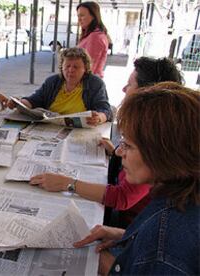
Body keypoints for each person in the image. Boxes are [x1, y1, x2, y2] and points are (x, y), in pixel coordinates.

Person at [30, 57, 183, 227]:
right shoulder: (155, 133)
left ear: (147, 93)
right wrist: (116, 151)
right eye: (67, 66)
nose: (123, 89)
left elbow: (123, 197)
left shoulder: (154, 141)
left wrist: (67, 183)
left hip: (128, 224)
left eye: (130, 84)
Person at [74, 83, 199, 275]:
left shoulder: (165, 246)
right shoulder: (183, 193)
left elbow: (163, 254)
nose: (120, 151)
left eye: (129, 145)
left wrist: (105, 264)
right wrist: (126, 236)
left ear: (164, 155)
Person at [8, 47, 112, 126]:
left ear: (85, 69)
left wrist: (99, 118)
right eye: (67, 66)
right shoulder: (53, 81)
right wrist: (18, 103)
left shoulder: (95, 84)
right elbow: (35, 100)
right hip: (51, 127)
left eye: (76, 67)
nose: (71, 70)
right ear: (61, 67)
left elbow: (105, 110)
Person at [77, 1, 109, 78]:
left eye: (82, 15)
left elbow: (89, 65)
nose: (79, 19)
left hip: (88, 83)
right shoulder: (94, 34)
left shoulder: (95, 36)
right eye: (78, 16)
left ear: (93, 16)